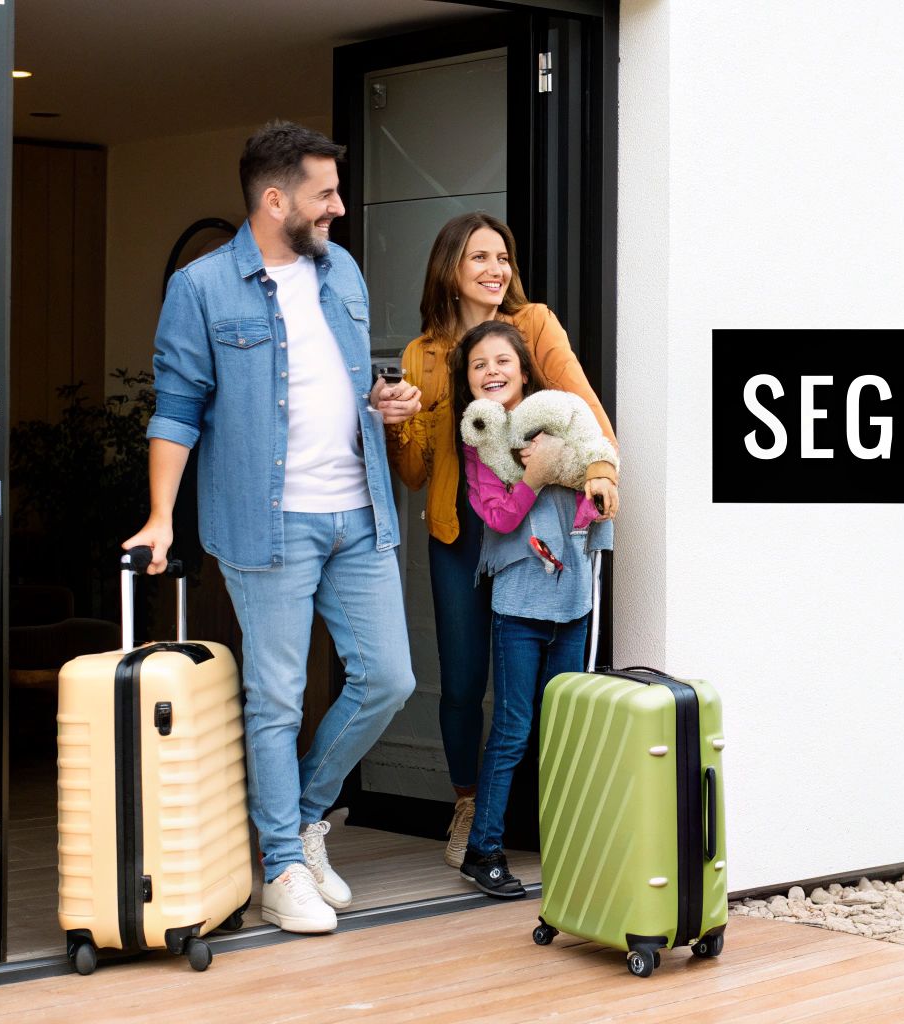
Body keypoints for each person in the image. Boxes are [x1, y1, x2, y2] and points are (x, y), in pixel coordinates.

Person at [122, 120, 423, 934]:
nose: (339, 209)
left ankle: (300, 821)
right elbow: (178, 411)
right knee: (277, 698)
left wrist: (387, 402)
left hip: (359, 511)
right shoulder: (203, 288)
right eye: (325, 194)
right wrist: (159, 517)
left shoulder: (343, 273)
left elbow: (349, 383)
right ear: (275, 197)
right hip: (268, 522)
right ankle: (282, 868)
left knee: (388, 677)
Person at [388, 213, 618, 870]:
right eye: (479, 258)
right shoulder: (421, 355)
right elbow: (412, 472)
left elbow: (585, 411)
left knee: (545, 687)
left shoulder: (533, 327)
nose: (495, 270)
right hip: (461, 534)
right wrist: (400, 424)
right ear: (450, 269)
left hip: (532, 536)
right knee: (463, 682)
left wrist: (602, 471)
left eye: (503, 258)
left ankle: (553, 821)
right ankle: (469, 808)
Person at [450, 320, 614, 897]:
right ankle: (484, 849)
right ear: (468, 381)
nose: (492, 371)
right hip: (518, 605)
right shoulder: (481, 447)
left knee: (565, 729)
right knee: (514, 728)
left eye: (503, 362)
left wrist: (588, 501)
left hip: (571, 602)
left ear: (524, 371)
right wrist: (533, 477)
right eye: (479, 365)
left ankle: (566, 848)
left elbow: (593, 502)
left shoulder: (564, 424)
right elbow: (497, 518)